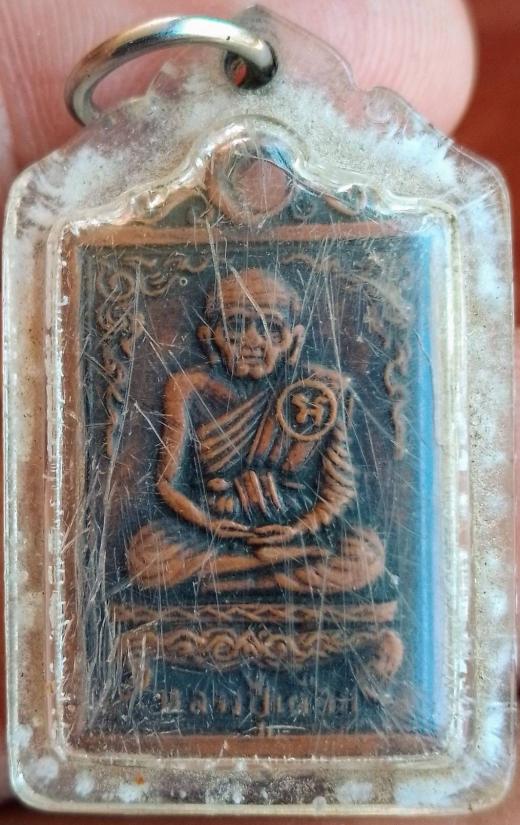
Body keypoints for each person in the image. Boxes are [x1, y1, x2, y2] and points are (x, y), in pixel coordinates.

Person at [5, 2, 510, 822]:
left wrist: (291, 527)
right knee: (142, 554)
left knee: (367, 555)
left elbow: (342, 494)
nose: (251, 343)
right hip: (208, 539)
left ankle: (274, 582)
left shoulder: (322, 391)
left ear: (296, 336)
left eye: (269, 328)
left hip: (297, 543)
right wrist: (224, 525)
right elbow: (166, 487)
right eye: (235, 327)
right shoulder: (190, 389)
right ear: (208, 334)